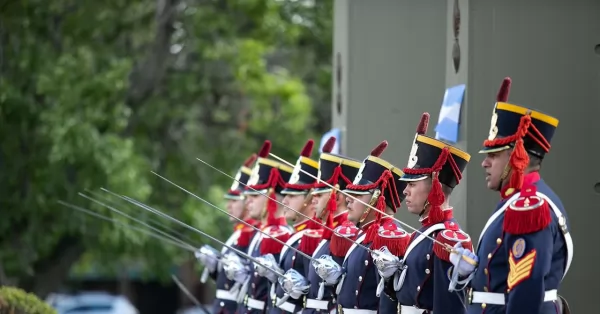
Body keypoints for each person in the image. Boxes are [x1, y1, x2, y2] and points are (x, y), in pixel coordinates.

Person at [451, 77, 573, 313]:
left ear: (517, 156)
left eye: (494, 155)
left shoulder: (530, 208)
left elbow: (525, 293)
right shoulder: (516, 201)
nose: (484, 163)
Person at [375, 112, 473, 314]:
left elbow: (449, 308)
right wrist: (392, 278)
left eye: (412, 184)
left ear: (435, 186)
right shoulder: (422, 233)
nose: (405, 191)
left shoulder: (447, 239)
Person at [316, 141, 408, 314]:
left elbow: (388, 302)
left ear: (376, 198)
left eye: (358, 194)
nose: (349, 198)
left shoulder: (389, 236)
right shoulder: (363, 234)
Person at [196, 153, 262, 314]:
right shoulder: (237, 234)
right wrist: (215, 266)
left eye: (234, 200)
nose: (228, 206)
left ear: (246, 202)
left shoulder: (256, 234)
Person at [237, 140, 295, 314]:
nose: (248, 201)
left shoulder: (280, 235)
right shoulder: (262, 232)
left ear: (271, 197)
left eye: (254, 196)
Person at [265, 139, 320, 314]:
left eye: (293, 195)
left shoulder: (314, 238)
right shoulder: (295, 236)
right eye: (286, 194)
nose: (285, 200)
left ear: (310, 198)